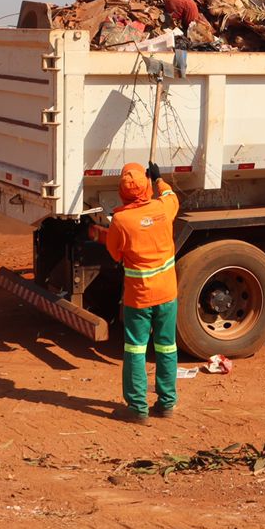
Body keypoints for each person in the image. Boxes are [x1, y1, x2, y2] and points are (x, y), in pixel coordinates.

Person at [91, 162, 180, 424]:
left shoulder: (121, 220)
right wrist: (159, 180)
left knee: (135, 350)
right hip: (167, 294)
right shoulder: (163, 209)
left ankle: (138, 408)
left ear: (122, 191)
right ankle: (166, 403)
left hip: (139, 298)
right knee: (167, 348)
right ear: (146, 185)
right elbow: (171, 197)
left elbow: (115, 253)